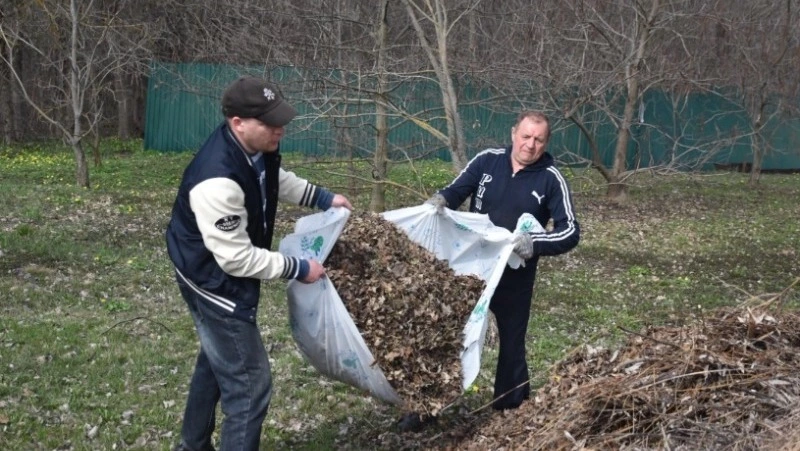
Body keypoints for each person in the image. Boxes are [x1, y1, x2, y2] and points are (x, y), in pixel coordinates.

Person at [166, 76, 353, 450]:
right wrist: (299, 268)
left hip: (213, 265)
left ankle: (191, 446)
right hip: (212, 279)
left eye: (280, 120)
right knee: (250, 385)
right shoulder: (217, 181)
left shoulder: (253, 148)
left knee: (218, 360)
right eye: (270, 123)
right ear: (238, 123)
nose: (280, 130)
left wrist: (323, 197)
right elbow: (235, 258)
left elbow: (274, 180)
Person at [425, 111, 580, 410]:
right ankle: (425, 406)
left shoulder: (551, 179)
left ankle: (510, 407)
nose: (530, 145)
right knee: (448, 331)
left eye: (538, 139)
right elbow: (457, 190)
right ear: (513, 134)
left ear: (546, 143)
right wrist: (441, 200)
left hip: (514, 275)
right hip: (471, 266)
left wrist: (533, 243)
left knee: (511, 341)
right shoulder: (487, 161)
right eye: (525, 136)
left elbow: (571, 231)